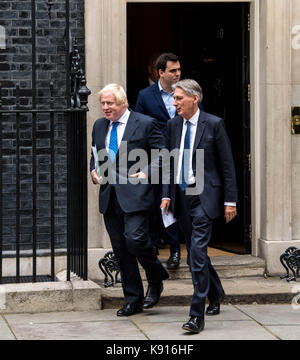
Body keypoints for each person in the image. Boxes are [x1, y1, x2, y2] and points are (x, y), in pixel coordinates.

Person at [160, 79, 238, 333]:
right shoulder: (173, 125)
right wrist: (167, 195)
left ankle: (196, 314)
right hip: (183, 196)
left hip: (205, 196)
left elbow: (226, 165)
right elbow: (169, 163)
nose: (174, 103)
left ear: (195, 99)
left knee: (196, 252)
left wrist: (230, 201)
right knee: (197, 251)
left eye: (179, 98)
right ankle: (216, 293)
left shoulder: (214, 124)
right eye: (174, 98)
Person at [90, 84, 169, 317]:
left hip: (136, 195)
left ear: (123, 102)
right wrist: (94, 171)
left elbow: (162, 154)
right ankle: (133, 299)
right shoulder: (99, 125)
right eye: (103, 103)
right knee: (121, 250)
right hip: (110, 196)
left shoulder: (144, 123)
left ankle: (156, 277)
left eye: (110, 103)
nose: (105, 108)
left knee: (135, 240)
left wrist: (146, 171)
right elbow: (95, 154)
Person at [135, 53, 182, 269]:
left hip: (182, 154)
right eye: (173, 71)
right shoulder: (145, 96)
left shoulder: (186, 92)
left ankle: (176, 251)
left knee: (176, 202)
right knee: (156, 202)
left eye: (179, 70)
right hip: (156, 157)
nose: (177, 74)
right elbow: (139, 125)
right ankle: (153, 248)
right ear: (160, 72)